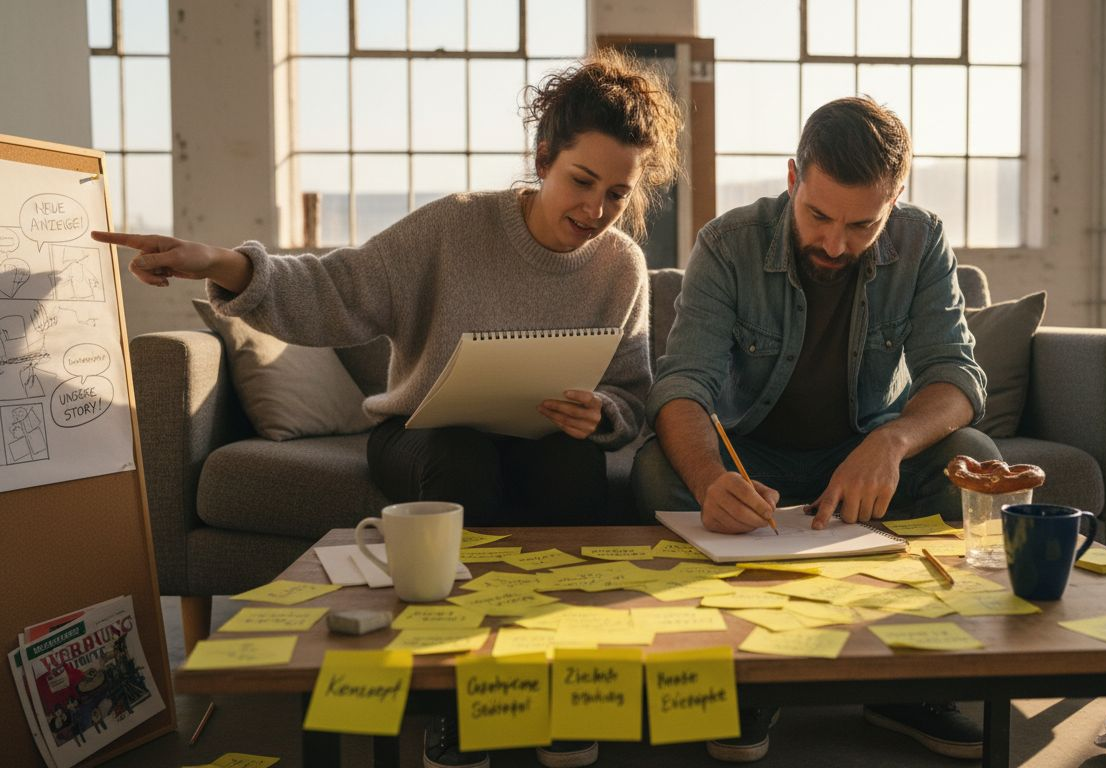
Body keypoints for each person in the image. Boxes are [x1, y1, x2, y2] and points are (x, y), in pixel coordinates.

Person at [95, 50, 682, 768]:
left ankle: (562, 685)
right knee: (461, 467)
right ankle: (459, 704)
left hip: (537, 437)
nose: (595, 212)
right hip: (420, 435)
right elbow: (336, 287)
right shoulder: (455, 228)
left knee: (568, 468)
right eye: (581, 182)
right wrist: (221, 263)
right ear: (542, 157)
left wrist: (604, 415)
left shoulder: (619, 266)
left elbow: (631, 388)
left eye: (617, 195)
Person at [632, 96, 1001, 762]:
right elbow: (684, 385)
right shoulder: (727, 242)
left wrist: (889, 443)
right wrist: (713, 478)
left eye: (863, 225)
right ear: (793, 179)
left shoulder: (922, 240)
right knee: (661, 471)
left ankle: (907, 681)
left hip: (863, 452)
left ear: (895, 199)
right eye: (818, 216)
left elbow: (958, 377)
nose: (836, 244)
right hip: (754, 460)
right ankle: (746, 675)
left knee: (971, 458)